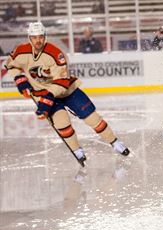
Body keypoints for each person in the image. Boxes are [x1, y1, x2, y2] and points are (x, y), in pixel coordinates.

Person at [5, 22, 130, 164]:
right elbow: (10, 65)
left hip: (66, 92)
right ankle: (77, 150)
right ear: (29, 38)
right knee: (61, 123)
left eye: (40, 37)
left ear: (45, 37)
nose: (37, 41)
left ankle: (114, 142)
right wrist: (19, 78)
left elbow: (62, 81)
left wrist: (48, 97)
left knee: (93, 119)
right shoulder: (21, 51)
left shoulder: (56, 54)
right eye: (34, 37)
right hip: (45, 94)